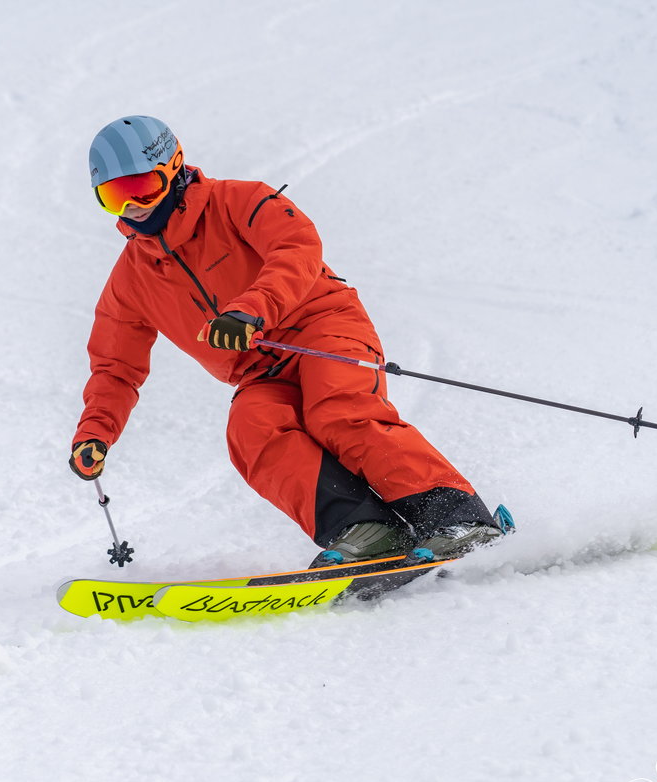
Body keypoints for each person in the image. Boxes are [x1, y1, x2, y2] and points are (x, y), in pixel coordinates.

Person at [70, 115, 504, 567]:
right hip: (259, 372)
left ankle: (458, 519)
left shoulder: (238, 201)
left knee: (338, 411)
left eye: (143, 186)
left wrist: (252, 308)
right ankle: (368, 531)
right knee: (252, 429)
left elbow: (296, 245)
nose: (134, 205)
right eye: (115, 196)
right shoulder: (130, 281)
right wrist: (95, 432)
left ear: (174, 167)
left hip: (323, 327)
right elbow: (115, 367)